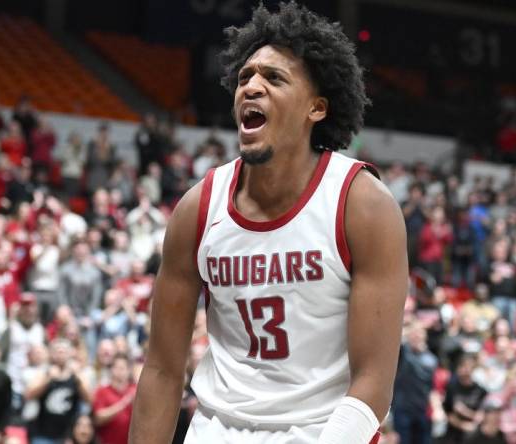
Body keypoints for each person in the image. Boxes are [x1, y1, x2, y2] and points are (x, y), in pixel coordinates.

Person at [129, 3, 408, 444]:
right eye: (245, 77)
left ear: (316, 108)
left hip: (324, 431)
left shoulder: (361, 204)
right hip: (217, 429)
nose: (252, 86)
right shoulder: (197, 209)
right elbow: (163, 370)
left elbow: (374, 381)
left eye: (274, 78)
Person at [26, 338, 91, 444]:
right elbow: (28, 396)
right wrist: (48, 380)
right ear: (51, 354)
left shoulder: (77, 375)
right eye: (57, 351)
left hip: (68, 436)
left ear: (70, 354)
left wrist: (77, 377)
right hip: (43, 434)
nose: (60, 354)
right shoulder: (44, 372)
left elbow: (89, 399)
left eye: (64, 351)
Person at [392, 323, 437, 444]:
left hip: (421, 409)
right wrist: (407, 332)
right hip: (402, 409)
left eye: (419, 334)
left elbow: (431, 387)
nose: (416, 336)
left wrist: (436, 408)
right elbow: (393, 340)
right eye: (414, 334)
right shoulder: (403, 352)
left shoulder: (431, 359)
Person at [93, 354, 137, 444]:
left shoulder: (136, 390)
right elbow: (98, 418)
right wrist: (124, 402)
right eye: (116, 368)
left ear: (129, 371)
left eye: (122, 368)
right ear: (111, 370)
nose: (119, 372)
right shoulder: (102, 391)